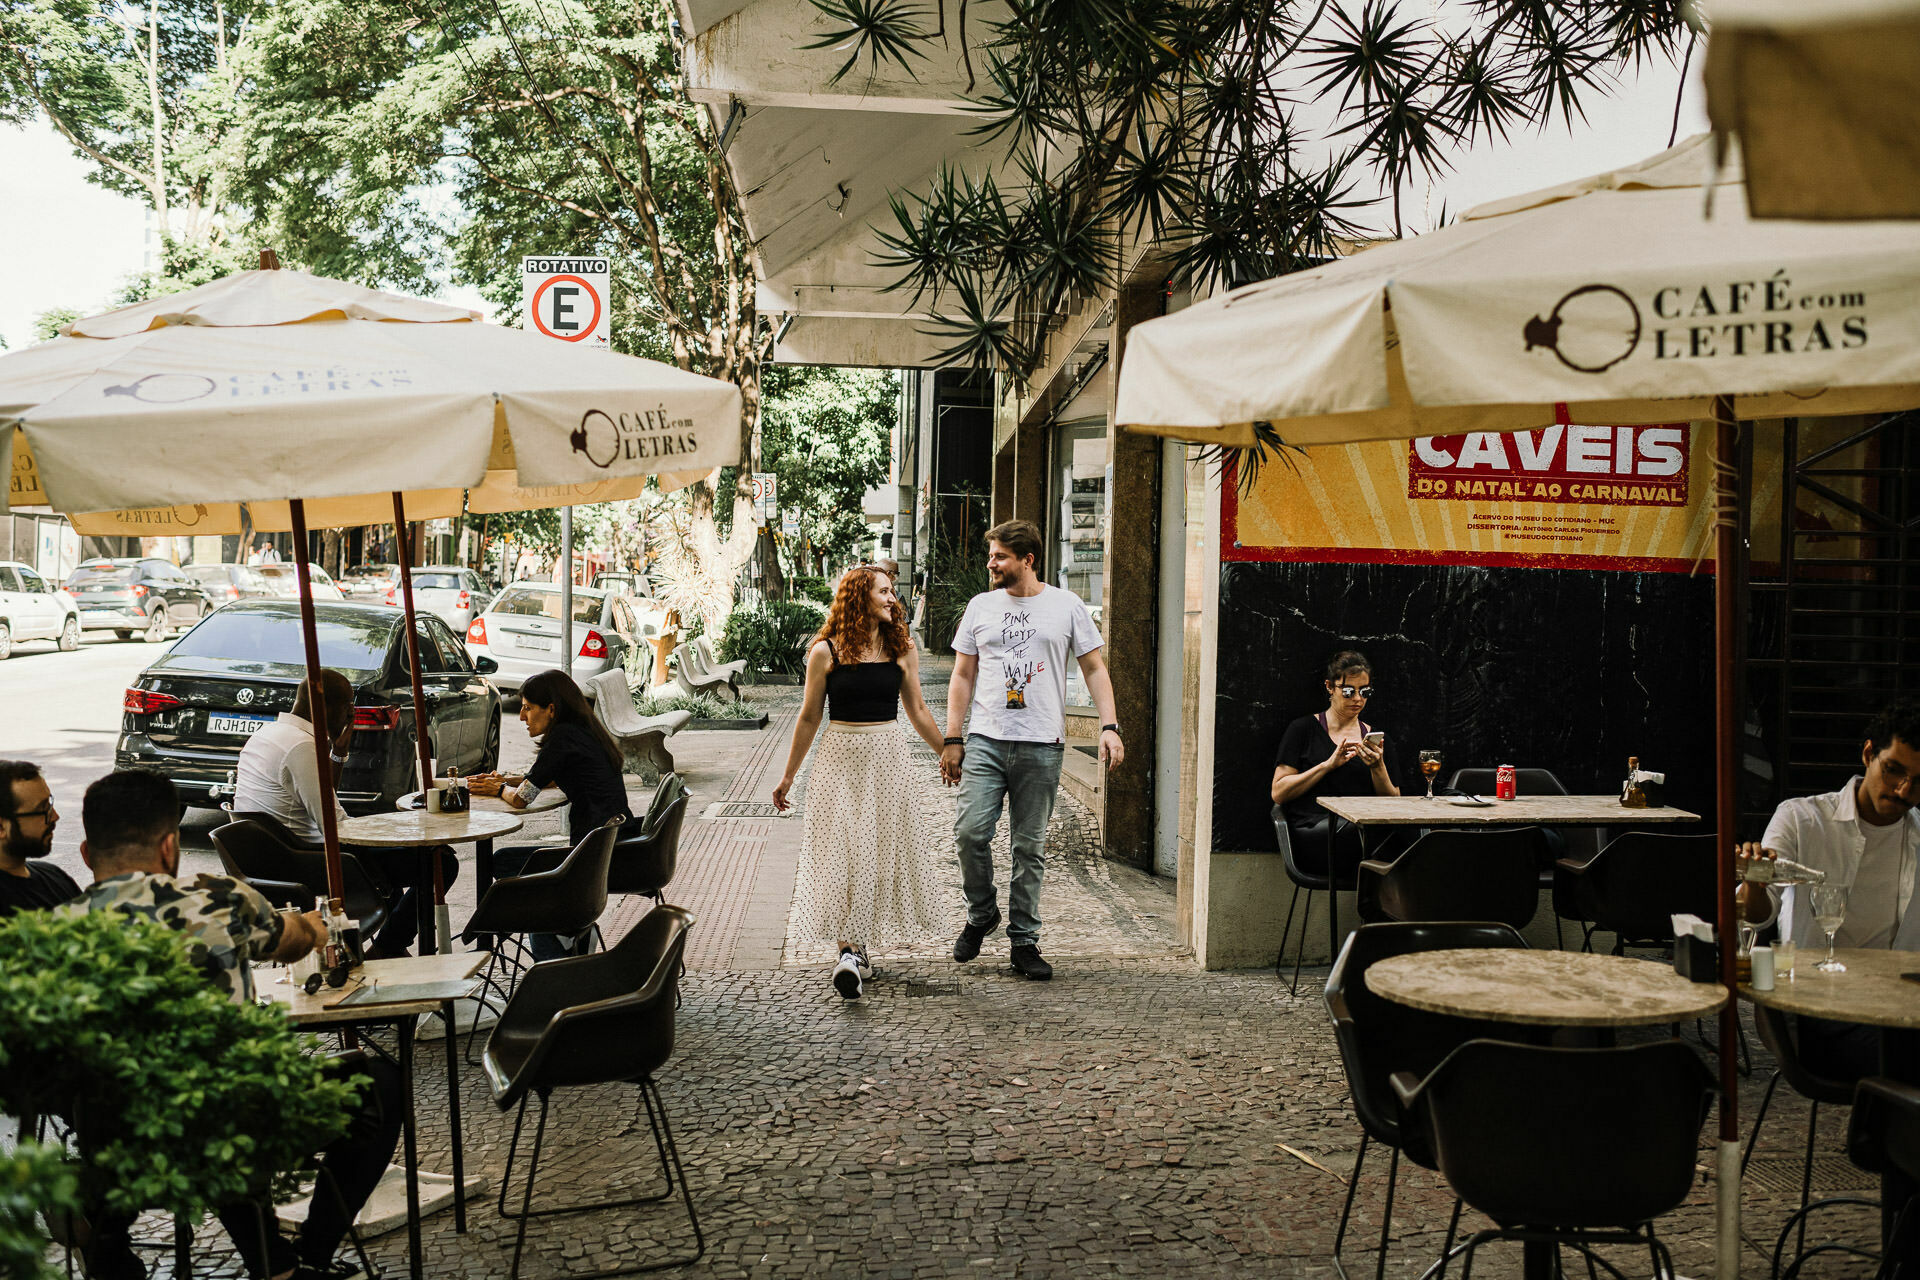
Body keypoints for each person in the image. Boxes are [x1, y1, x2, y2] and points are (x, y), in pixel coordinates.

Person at [66, 769, 400, 1280]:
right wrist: (311, 927)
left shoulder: (56, 930)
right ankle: (305, 1256)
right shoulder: (215, 902)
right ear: (171, 846)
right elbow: (291, 940)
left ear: (87, 853)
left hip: (113, 1148)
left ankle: (112, 1244)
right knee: (377, 1083)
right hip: (232, 1135)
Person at [943, 519, 1121, 981]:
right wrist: (953, 736)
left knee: (1029, 847)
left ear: (1028, 559)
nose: (991, 564)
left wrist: (1109, 726)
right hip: (985, 739)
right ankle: (982, 914)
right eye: (991, 555)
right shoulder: (980, 607)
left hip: (1042, 742)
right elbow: (962, 675)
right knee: (970, 832)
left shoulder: (1067, 606)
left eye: (1000, 556)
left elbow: (1094, 668)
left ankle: (1024, 942)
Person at [771, 564, 951, 999]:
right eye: (884, 592)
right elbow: (810, 715)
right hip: (839, 759)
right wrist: (789, 776)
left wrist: (947, 751)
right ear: (859, 598)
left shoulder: (901, 648)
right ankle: (848, 952)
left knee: (873, 851)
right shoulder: (826, 651)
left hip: (887, 759)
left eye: (893, 592)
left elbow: (919, 711)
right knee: (842, 850)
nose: (894, 599)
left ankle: (857, 948)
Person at [1739, 695, 1920, 1081]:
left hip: (1903, 1009)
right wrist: (1753, 879)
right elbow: (1758, 914)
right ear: (1869, 754)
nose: (1904, 791)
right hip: (1818, 1013)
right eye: (1893, 771)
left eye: (1918, 782)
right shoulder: (1802, 820)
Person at [232, 670, 455, 957]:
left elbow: (323, 795)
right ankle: (387, 948)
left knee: (394, 884)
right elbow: (337, 826)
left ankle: (389, 949)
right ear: (324, 707)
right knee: (441, 860)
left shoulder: (271, 734)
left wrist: (338, 751)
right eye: (348, 705)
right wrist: (397, 828)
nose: (352, 714)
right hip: (308, 865)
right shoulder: (301, 747)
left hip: (274, 860)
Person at [469, 668, 633, 959]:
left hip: (587, 856)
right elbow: (550, 777)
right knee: (514, 867)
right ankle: (569, 930)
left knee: (505, 863)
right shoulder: (585, 732)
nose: (521, 716)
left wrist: (499, 790)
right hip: (609, 846)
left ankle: (561, 932)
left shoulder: (562, 738)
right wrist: (505, 781)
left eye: (528, 708)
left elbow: (522, 800)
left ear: (552, 709)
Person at [1269, 651, 1405, 884]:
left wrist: (1378, 767)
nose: (1357, 699)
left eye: (1365, 692)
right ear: (1330, 687)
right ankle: (1381, 911)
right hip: (1316, 834)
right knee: (1377, 842)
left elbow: (1394, 804)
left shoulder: (1377, 740)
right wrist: (1327, 765)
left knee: (1412, 836)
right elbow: (1279, 792)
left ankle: (1388, 913)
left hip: (1365, 834)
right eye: (1349, 691)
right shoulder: (1303, 730)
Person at [0, 760, 80, 915]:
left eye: (50, 805)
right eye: (42, 810)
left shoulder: (55, 877)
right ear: (1, 827)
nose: (55, 817)